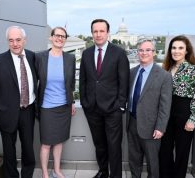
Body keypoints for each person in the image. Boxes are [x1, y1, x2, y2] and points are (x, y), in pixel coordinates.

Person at [79, 19, 130, 178]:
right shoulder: (86, 54)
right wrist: (84, 102)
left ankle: (115, 175)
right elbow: (83, 80)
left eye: (102, 31)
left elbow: (124, 81)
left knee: (114, 146)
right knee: (99, 145)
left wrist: (120, 105)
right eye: (95, 31)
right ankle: (103, 172)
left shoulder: (119, 53)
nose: (98, 34)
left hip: (112, 109)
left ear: (107, 33)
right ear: (92, 33)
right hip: (92, 109)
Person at [0, 26, 37, 178]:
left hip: (28, 111)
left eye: (18, 40)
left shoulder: (33, 57)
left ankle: (27, 175)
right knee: (9, 151)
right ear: (8, 41)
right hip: (6, 113)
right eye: (11, 40)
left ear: (24, 40)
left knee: (28, 148)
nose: (15, 44)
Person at [159, 35, 195, 178]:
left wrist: (193, 119)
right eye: (173, 48)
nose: (176, 51)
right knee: (164, 150)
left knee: (182, 153)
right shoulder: (166, 68)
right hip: (167, 113)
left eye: (180, 48)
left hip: (184, 113)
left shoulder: (194, 70)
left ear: (186, 51)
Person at [127, 39, 172, 178]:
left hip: (152, 127)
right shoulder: (132, 72)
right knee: (134, 159)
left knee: (152, 162)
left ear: (154, 53)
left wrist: (160, 127)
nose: (144, 53)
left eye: (148, 50)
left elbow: (165, 105)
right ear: (137, 52)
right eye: (141, 50)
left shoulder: (164, 76)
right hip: (132, 122)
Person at [35, 27, 76, 178]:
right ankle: (45, 173)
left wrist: (71, 102)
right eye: (57, 35)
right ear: (51, 38)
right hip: (46, 107)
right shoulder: (40, 57)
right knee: (46, 143)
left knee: (59, 142)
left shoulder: (70, 59)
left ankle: (56, 170)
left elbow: (71, 83)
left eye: (63, 36)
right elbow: (34, 81)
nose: (60, 38)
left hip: (64, 107)